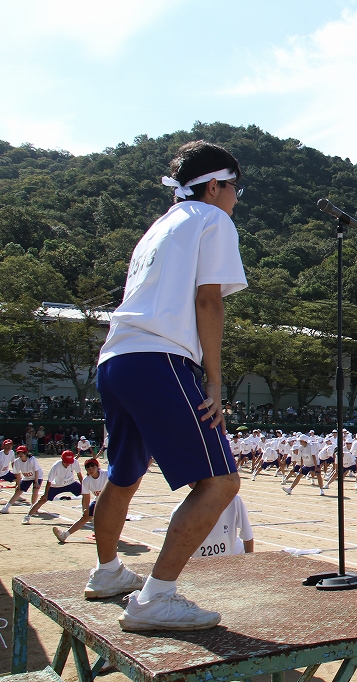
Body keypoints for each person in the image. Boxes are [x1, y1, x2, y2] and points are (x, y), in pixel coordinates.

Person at [87, 140, 248, 631]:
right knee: (220, 482)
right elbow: (208, 301)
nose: (236, 199)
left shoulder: (158, 228)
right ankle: (155, 598)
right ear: (214, 186)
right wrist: (214, 381)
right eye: (235, 189)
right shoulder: (211, 219)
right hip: (159, 358)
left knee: (124, 474)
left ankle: (108, 572)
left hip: (116, 357)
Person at [169, 486, 254, 557]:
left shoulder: (233, 500)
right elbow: (176, 552)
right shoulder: (179, 513)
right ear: (190, 484)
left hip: (230, 561)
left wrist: (249, 564)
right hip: (202, 567)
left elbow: (248, 536)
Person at [55, 458, 108, 543]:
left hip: (111, 501)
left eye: (93, 467)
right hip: (99, 501)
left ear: (97, 467)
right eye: (88, 468)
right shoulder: (86, 480)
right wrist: (85, 509)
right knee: (85, 517)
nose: (91, 470)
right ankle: (64, 535)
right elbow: (86, 496)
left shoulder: (106, 474)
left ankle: (110, 535)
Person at [24, 450, 84, 523]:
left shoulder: (75, 462)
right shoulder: (56, 466)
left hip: (71, 483)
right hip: (57, 485)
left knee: (85, 494)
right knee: (43, 500)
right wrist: (46, 494)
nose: (68, 464)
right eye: (66, 462)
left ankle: (85, 514)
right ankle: (28, 516)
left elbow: (79, 475)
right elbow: (49, 481)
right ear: (61, 458)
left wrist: (84, 487)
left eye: (69, 462)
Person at [1, 445, 44, 514]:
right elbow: (17, 474)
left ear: (26, 453)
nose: (20, 454)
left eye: (22, 453)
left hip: (38, 476)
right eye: (19, 453)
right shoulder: (17, 462)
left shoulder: (32, 459)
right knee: (18, 491)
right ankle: (6, 508)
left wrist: (36, 482)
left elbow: (36, 471)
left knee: (35, 490)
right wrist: (18, 484)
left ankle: (33, 507)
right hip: (27, 477)